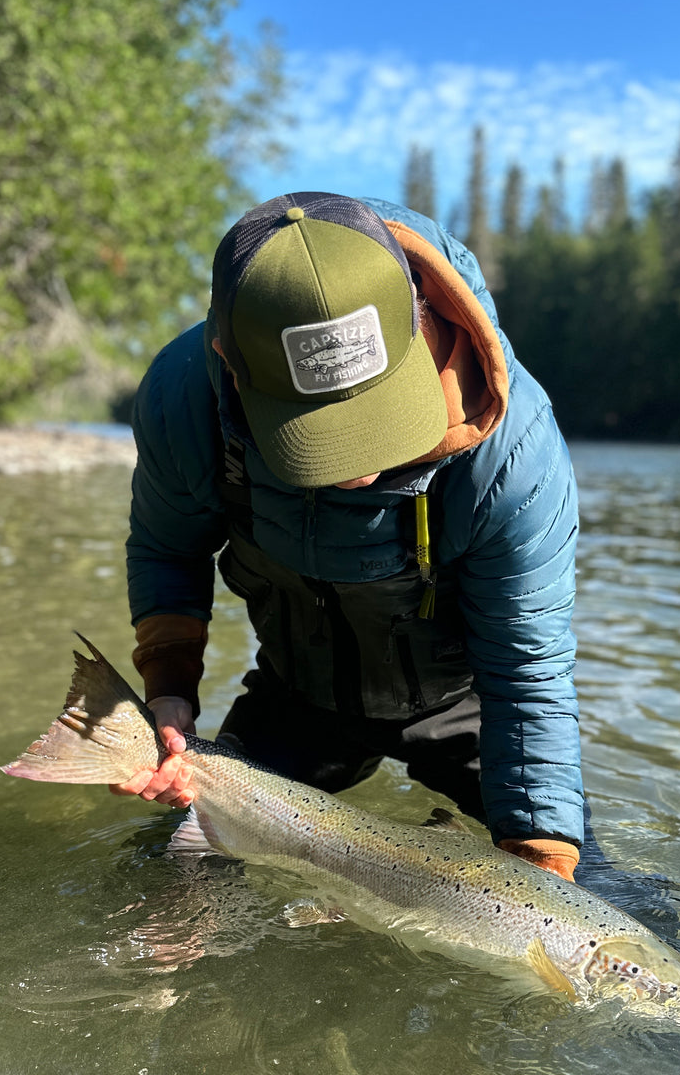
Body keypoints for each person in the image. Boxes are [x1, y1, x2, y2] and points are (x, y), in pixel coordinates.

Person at [115, 191, 588, 881]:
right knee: (171, 872)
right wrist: (168, 695)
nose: (360, 466)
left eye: (378, 418)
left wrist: (544, 863)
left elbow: (527, 674)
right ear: (232, 363)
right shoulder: (183, 397)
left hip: (469, 705)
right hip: (298, 699)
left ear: (416, 315)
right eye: (316, 438)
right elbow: (167, 549)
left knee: (588, 886)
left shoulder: (513, 449)